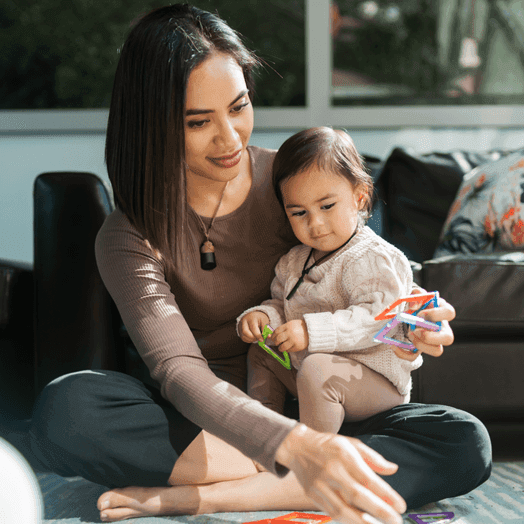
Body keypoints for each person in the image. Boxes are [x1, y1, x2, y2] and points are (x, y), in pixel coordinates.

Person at [28, 4, 491, 524]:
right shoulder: (129, 233)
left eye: (239, 106)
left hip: (325, 406)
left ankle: (215, 493)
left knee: (463, 439)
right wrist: (290, 442)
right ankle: (311, 474)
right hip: (211, 418)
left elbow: (368, 284)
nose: (230, 138)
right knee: (68, 410)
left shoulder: (294, 184)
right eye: (198, 121)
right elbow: (178, 371)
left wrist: (412, 324)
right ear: (152, 124)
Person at [238, 126, 419, 434]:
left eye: (326, 206)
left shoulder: (373, 257)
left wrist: (310, 331)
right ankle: (263, 435)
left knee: (317, 369)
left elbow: (377, 319)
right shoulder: (293, 261)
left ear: (360, 198)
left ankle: (316, 460)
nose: (315, 223)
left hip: (376, 383)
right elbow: (283, 306)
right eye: (299, 213)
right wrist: (263, 317)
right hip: (309, 373)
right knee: (262, 353)